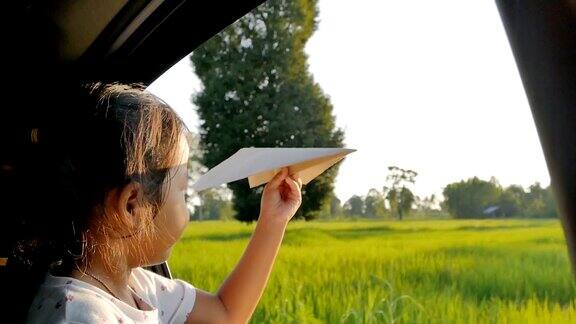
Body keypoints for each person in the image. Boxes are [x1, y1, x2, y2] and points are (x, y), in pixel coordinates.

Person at [22, 82, 303, 323]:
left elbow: (225, 313)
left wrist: (273, 220)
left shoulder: (135, 285)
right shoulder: (80, 316)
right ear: (132, 206)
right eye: (181, 190)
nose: (188, 206)